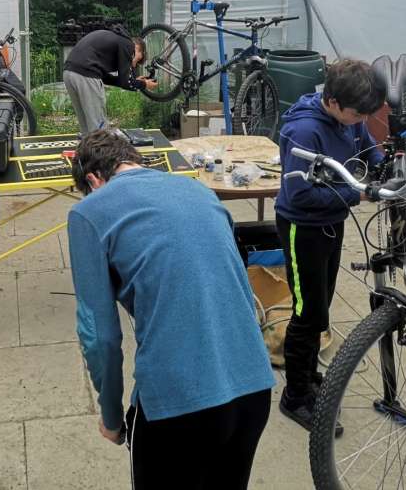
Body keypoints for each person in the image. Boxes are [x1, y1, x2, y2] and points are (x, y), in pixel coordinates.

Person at [67, 129, 275, 490]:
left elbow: (99, 336)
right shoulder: (199, 190)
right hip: (253, 388)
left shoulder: (89, 212)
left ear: (92, 180)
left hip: (179, 405)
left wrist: (112, 416)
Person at [275, 58, 386, 431]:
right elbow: (300, 194)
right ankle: (294, 397)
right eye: (358, 114)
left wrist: (383, 164)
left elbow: (367, 146)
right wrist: (357, 193)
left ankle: (307, 377)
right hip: (302, 227)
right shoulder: (305, 131)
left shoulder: (348, 120)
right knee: (306, 315)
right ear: (334, 102)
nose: (361, 121)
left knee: (321, 307)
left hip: (330, 224)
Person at [62, 29, 157, 134]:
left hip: (69, 73)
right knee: (98, 126)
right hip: (86, 74)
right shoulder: (128, 44)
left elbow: (108, 78)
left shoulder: (113, 41)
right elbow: (126, 83)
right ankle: (100, 149)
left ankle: (87, 148)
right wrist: (144, 84)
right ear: (138, 49)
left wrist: (134, 81)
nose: (133, 65)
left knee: (86, 127)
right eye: (137, 60)